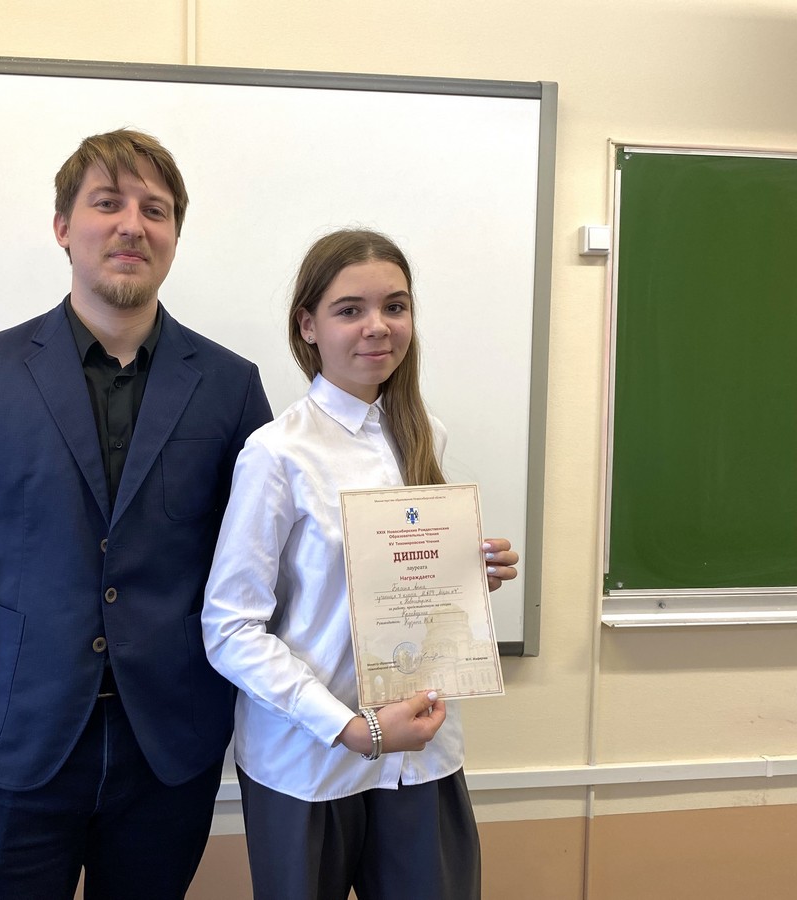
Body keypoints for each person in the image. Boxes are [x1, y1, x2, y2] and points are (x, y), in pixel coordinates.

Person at [0, 129, 272, 899]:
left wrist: (438, 570)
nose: (133, 225)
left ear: (175, 236)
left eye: (155, 210)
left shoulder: (231, 386)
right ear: (64, 226)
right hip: (11, 748)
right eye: (108, 203)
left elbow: (272, 560)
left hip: (168, 750)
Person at [202, 228, 520, 900]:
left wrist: (465, 579)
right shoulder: (277, 454)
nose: (378, 326)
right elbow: (229, 629)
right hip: (309, 762)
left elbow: (396, 594)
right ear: (308, 326)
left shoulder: (425, 435)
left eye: (395, 306)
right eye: (350, 310)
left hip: (422, 755)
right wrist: (350, 727)